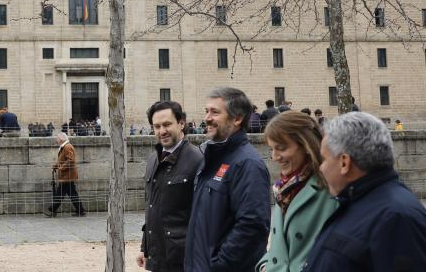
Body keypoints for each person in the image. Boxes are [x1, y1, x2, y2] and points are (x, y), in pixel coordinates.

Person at [304, 112, 426, 271]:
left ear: (344, 163)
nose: (321, 168)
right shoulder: (361, 203)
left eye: (324, 159)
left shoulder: (395, 218)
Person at [184, 87, 270, 272]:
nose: (207, 118)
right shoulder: (211, 159)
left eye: (215, 112)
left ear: (237, 118)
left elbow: (252, 227)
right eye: (207, 111)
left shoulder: (248, 164)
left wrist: (219, 265)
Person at [257, 111, 337, 272]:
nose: (275, 157)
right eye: (272, 149)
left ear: (306, 145)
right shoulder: (284, 188)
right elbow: (277, 245)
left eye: (281, 148)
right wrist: (265, 265)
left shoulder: (331, 190)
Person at [137, 101, 203, 272]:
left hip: (184, 259)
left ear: (181, 123)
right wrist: (145, 248)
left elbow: (205, 214)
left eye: (167, 124)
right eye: (156, 126)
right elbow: (151, 208)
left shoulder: (197, 159)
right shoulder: (153, 159)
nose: (162, 131)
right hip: (158, 257)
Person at [44, 132, 85, 217]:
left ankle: (52, 210)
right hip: (67, 176)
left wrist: (61, 168)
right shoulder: (64, 147)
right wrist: (56, 166)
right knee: (72, 193)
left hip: (67, 176)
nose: (56, 140)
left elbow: (71, 160)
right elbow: (63, 160)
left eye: (57, 139)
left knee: (60, 193)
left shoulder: (67, 147)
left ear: (61, 139)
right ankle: (80, 211)